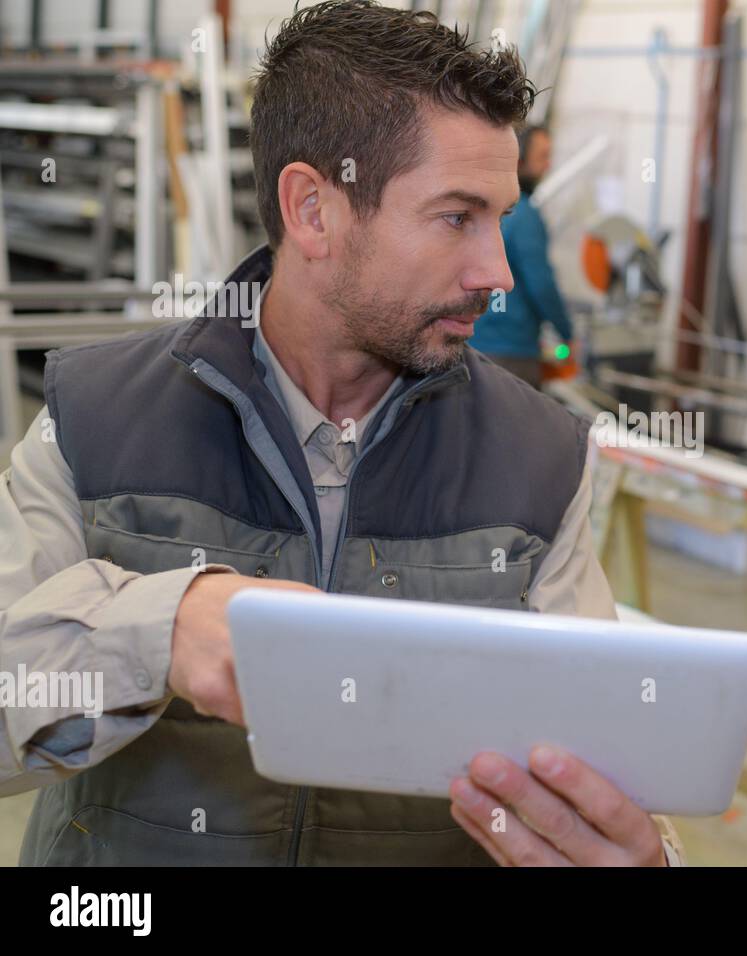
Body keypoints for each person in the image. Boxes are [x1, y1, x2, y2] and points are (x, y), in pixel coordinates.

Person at [0, 0, 672, 867]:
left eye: (502, 218)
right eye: (457, 216)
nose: (497, 272)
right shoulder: (90, 417)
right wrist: (161, 629)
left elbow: (600, 766)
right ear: (313, 210)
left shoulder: (544, 461)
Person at [469, 125, 573, 388]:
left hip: (473, 345)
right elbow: (542, 283)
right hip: (510, 353)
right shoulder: (525, 215)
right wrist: (567, 334)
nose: (547, 166)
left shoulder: (481, 209)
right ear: (519, 159)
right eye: (543, 157)